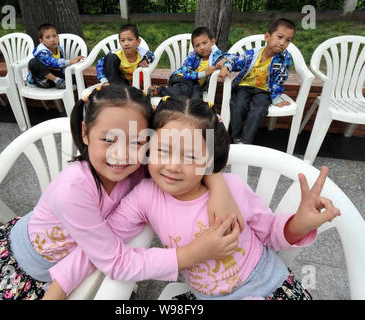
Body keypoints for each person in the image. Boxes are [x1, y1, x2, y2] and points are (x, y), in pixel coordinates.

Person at [0, 85, 243, 300]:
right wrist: (193, 254)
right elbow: (115, 260)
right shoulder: (73, 190)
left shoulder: (140, 164)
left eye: (137, 141)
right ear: (84, 133)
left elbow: (185, 155)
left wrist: (216, 182)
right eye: (108, 139)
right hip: (17, 269)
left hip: (70, 264)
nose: (121, 154)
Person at [48, 95, 341, 300]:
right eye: (162, 150)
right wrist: (60, 287)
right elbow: (105, 245)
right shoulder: (144, 197)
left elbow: (272, 234)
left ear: (209, 159)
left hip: (267, 287)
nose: (173, 166)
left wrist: (300, 224)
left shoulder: (231, 188)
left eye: (190, 156)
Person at [219, 18, 296, 144]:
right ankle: (236, 137)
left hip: (264, 91)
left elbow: (280, 80)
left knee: (259, 110)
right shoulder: (252, 54)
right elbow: (236, 60)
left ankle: (245, 142)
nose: (282, 43)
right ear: (267, 36)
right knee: (238, 105)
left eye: (288, 40)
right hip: (244, 86)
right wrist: (227, 66)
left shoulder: (284, 59)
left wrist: (276, 98)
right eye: (280, 37)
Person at [147, 26, 230, 100]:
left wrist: (225, 61)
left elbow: (235, 57)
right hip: (180, 77)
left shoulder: (217, 56)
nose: (202, 47)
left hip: (195, 83)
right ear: (194, 47)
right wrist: (205, 73)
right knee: (187, 89)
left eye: (204, 43)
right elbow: (187, 73)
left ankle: (195, 113)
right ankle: (158, 90)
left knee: (197, 94)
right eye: (197, 45)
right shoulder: (193, 56)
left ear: (212, 41)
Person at [27, 23, 84, 89]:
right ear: (41, 40)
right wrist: (71, 61)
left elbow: (60, 66)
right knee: (33, 62)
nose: (52, 40)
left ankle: (84, 98)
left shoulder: (59, 49)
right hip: (40, 79)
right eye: (47, 37)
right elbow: (53, 62)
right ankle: (57, 81)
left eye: (54, 36)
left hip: (53, 76)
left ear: (58, 37)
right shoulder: (41, 52)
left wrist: (65, 75)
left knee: (77, 78)